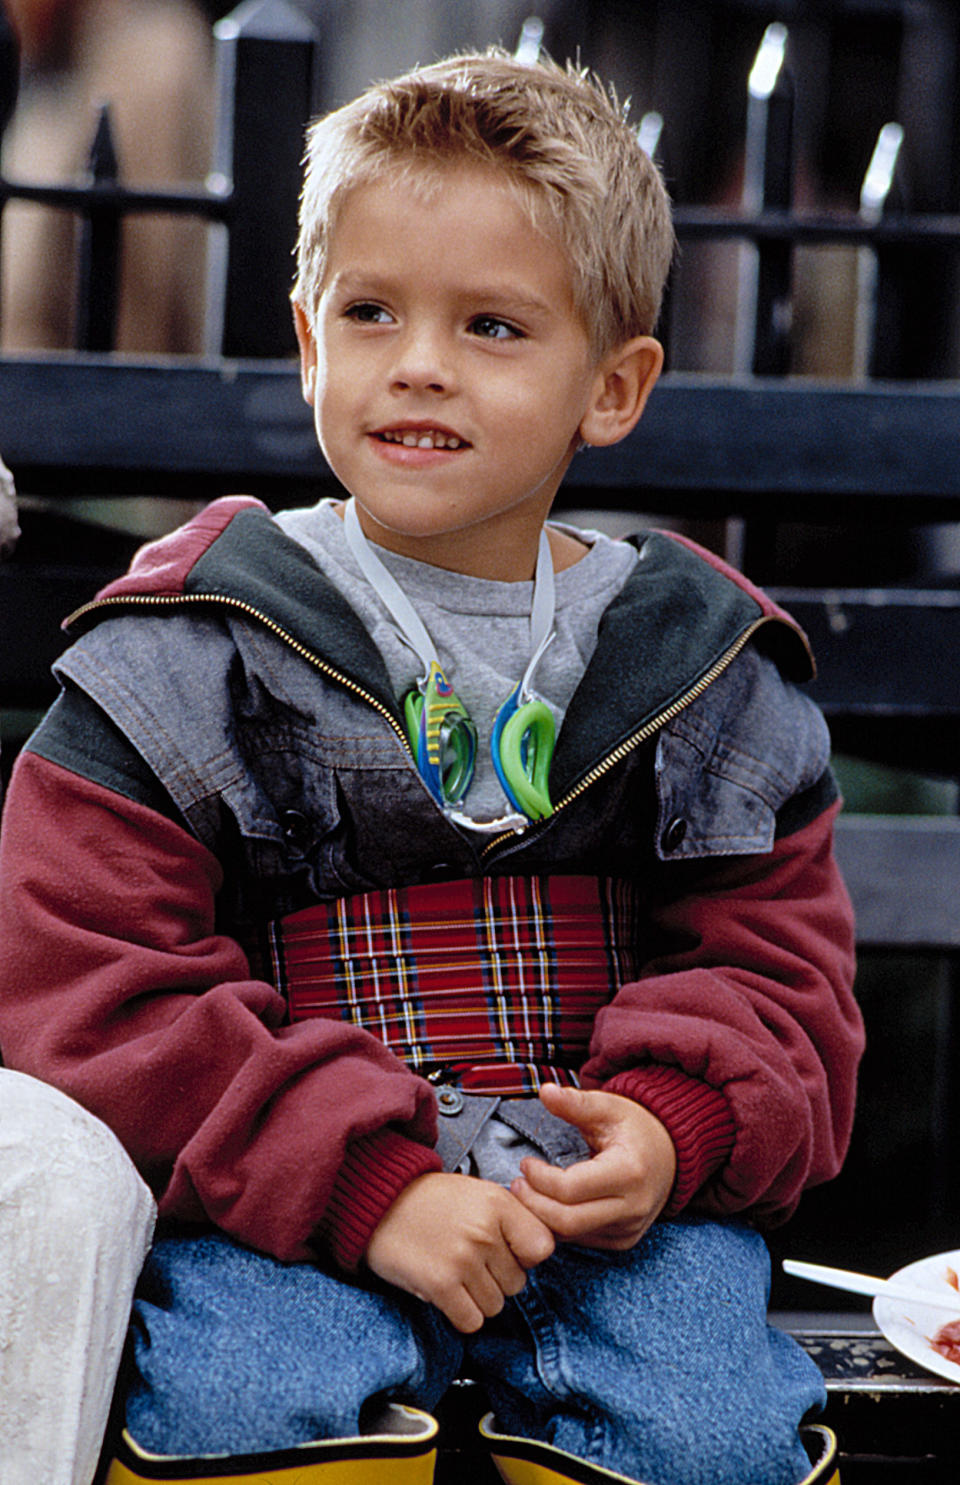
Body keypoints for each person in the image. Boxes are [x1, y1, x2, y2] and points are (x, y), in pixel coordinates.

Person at [0, 51, 862, 1485]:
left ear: (617, 383)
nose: (418, 361)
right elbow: (88, 967)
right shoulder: (200, 642)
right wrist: (366, 1181)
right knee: (239, 1414)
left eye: (494, 325)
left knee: (709, 1431)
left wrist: (671, 1124)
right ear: (306, 341)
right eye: (373, 310)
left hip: (611, 1213)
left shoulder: (699, 665)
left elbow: (785, 975)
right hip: (291, 1196)